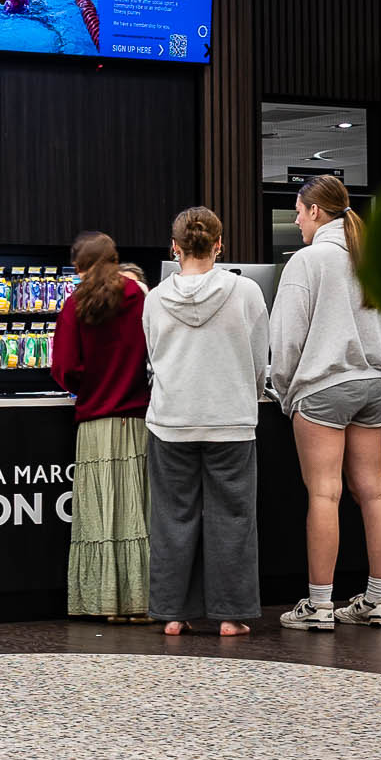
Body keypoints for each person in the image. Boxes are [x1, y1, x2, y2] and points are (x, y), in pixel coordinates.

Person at [272, 174, 381, 631]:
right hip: (372, 385)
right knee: (376, 490)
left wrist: (286, 391)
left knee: (325, 493)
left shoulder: (308, 261)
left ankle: (319, 606)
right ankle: (378, 601)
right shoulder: (370, 258)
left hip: (322, 387)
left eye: (300, 211)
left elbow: (285, 340)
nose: (297, 220)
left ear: (316, 212)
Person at [141, 206, 270, 638]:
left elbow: (154, 357)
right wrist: (248, 395)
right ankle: (231, 616)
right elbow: (258, 357)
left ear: (174, 247)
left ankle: (173, 613)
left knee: (172, 516)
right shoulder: (247, 291)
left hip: (170, 420)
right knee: (232, 517)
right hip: (231, 420)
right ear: (220, 244)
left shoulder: (154, 298)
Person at [51, 231, 151, 622]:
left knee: (101, 515)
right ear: (114, 258)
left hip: (95, 422)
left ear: (78, 267)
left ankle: (104, 602)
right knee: (139, 513)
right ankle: (143, 602)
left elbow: (64, 368)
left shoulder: (74, 305)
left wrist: (89, 386)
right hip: (140, 420)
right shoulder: (140, 297)